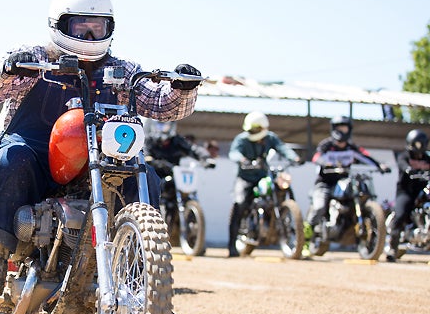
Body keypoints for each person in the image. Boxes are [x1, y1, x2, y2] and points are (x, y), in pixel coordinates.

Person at [0, 0, 202, 300]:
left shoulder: (122, 70)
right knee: (9, 159)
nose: (90, 37)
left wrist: (182, 89)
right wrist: (6, 71)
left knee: (146, 176)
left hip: (100, 158)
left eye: (97, 28)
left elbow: (162, 106)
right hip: (36, 155)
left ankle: (135, 267)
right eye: (81, 28)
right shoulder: (34, 58)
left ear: (109, 28)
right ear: (59, 25)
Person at [304, 115, 390, 255]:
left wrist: (380, 165)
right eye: (339, 128)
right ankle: (306, 240)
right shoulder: (326, 145)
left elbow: (366, 157)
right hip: (325, 183)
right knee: (319, 207)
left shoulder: (352, 148)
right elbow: (316, 157)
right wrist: (325, 163)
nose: (341, 131)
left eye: (344, 128)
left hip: (344, 183)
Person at [227, 111, 302, 258]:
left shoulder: (270, 138)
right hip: (245, 178)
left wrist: (295, 158)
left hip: (263, 176)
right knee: (240, 204)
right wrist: (243, 160)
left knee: (282, 188)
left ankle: (285, 222)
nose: (253, 133)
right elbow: (233, 153)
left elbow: (282, 148)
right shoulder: (242, 139)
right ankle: (232, 246)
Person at [386, 129, 430, 262]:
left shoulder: (427, 159)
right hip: (406, 192)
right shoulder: (404, 156)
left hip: (423, 191)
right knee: (400, 214)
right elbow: (402, 164)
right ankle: (393, 248)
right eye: (417, 144)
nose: (420, 147)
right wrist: (408, 169)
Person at [143, 119, 215, 178]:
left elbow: (192, 149)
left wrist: (206, 158)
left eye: (165, 125)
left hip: (174, 176)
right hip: (154, 176)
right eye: (160, 125)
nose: (162, 128)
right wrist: (153, 161)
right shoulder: (149, 141)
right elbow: (145, 154)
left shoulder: (177, 140)